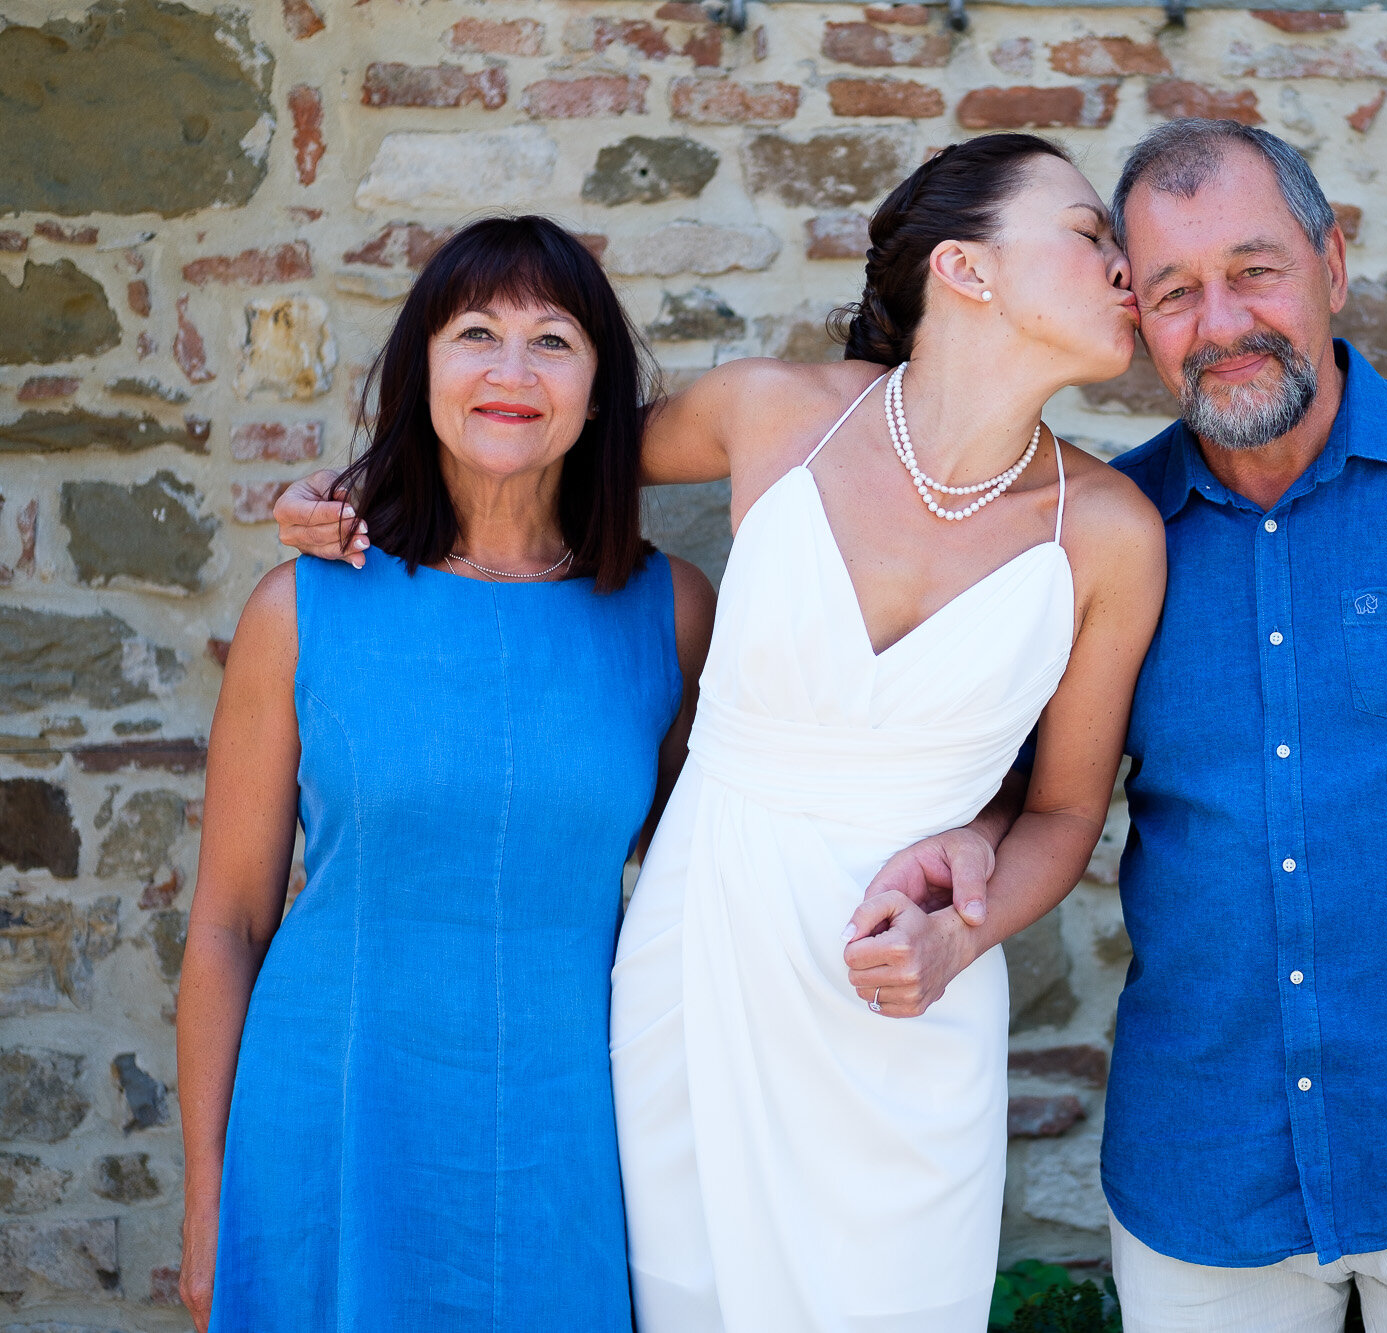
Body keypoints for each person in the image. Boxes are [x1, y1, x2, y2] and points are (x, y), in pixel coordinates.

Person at [273, 134, 1167, 1332]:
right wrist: (351, 490)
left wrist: (964, 936)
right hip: (700, 958)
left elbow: (1064, 810)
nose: (1125, 266)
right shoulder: (772, 413)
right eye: (1088, 232)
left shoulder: (1108, 529)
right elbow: (537, 441)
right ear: (966, 268)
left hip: (903, 992)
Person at [878, 120, 1387, 1331]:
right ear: (1136, 321)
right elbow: (1039, 798)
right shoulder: (1099, 528)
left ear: (1330, 266)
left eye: (1254, 272)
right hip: (1205, 1173)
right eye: (1174, 293)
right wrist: (964, 873)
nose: (1222, 323)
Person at [179, 216, 713, 1331]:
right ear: (423, 370)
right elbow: (228, 923)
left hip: (567, 1136)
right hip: (331, 1118)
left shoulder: (671, 616)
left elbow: (692, 905)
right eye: (476, 333)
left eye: (553, 341)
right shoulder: (300, 610)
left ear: (600, 388)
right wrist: (205, 1198)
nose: (511, 372)